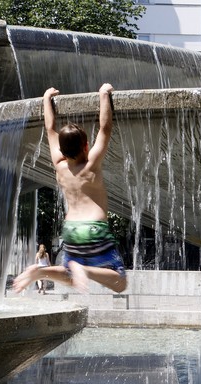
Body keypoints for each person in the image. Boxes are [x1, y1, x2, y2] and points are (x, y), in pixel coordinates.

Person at [13, 83, 127, 294]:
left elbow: (50, 128)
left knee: (72, 277)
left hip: (71, 229)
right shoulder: (91, 164)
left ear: (62, 150)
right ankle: (85, 269)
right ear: (86, 146)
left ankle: (40, 271)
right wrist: (103, 95)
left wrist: (46, 98)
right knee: (120, 281)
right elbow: (105, 128)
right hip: (94, 227)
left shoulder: (59, 165)